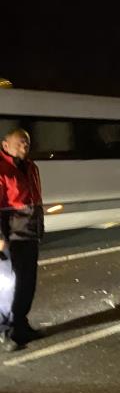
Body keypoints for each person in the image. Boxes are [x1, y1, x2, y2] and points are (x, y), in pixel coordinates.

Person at [0, 128, 44, 353]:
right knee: (9, 287)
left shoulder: (31, 167)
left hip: (30, 234)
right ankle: (5, 331)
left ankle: (21, 324)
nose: (24, 146)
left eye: (26, 142)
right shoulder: (2, 169)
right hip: (11, 238)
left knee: (27, 283)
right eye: (19, 143)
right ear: (5, 145)